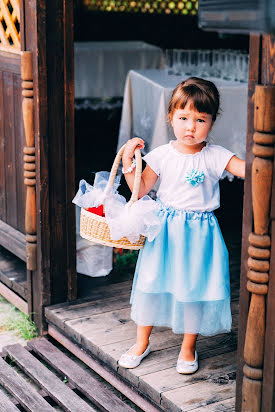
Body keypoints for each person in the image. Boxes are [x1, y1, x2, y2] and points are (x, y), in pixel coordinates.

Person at [118, 77, 245, 374]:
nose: (191, 127)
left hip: (201, 234)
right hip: (165, 232)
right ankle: (142, 342)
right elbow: (139, 189)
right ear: (171, 118)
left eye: (200, 120)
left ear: (212, 122)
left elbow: (246, 168)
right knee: (152, 283)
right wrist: (128, 163)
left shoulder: (216, 155)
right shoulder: (162, 154)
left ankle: (188, 347)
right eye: (183, 118)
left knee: (193, 289)